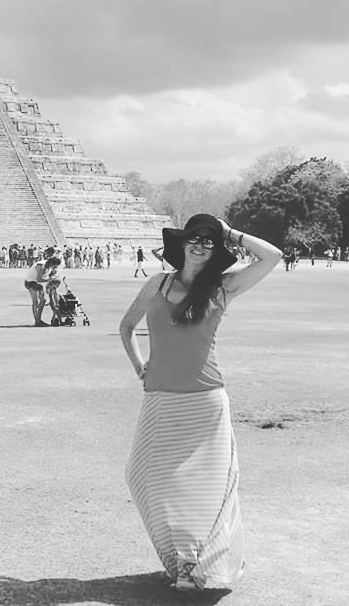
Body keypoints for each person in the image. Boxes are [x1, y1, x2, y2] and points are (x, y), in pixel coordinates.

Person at [119, 214, 282, 591]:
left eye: (209, 241)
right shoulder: (158, 283)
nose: (200, 245)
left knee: (204, 489)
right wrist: (140, 366)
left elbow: (272, 256)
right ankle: (179, 558)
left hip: (205, 401)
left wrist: (230, 233)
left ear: (216, 250)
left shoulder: (223, 287)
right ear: (182, 243)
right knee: (140, 475)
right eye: (194, 238)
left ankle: (191, 567)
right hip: (160, 398)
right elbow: (127, 327)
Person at [24, 256, 61, 326]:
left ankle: (38, 320)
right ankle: (37, 321)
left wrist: (53, 277)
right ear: (52, 264)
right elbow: (39, 279)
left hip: (37, 283)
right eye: (55, 266)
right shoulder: (41, 265)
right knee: (35, 302)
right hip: (30, 282)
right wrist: (51, 279)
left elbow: (47, 276)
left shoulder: (48, 267)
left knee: (43, 300)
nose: (55, 268)